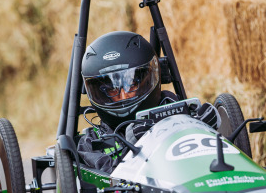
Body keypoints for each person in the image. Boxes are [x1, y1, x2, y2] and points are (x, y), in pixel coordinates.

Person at [77, 31, 220, 173]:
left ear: (148, 79)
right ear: (99, 92)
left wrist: (205, 127)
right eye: (112, 90)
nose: (123, 95)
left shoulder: (176, 108)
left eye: (131, 85)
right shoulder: (91, 143)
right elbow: (111, 178)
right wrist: (136, 146)